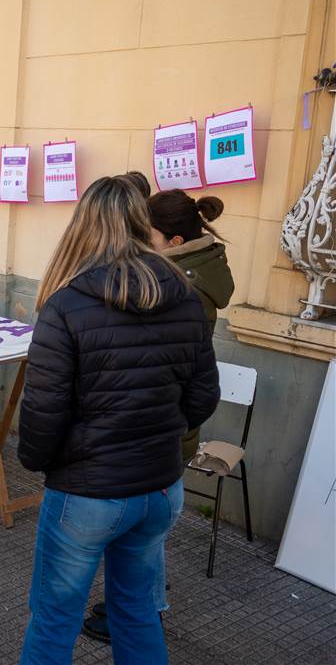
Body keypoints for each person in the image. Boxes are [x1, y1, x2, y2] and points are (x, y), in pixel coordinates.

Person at [17, 175, 221, 664]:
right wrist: (160, 434)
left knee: (54, 618)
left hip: (88, 493)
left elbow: (42, 418)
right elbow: (203, 397)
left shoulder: (66, 305)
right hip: (159, 488)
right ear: (140, 223)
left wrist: (46, 462)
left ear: (81, 226)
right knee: (136, 611)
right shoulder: (185, 295)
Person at [81, 187, 236, 645]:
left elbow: (185, 373)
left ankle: (144, 610)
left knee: (143, 531)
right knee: (145, 527)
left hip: (159, 423)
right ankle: (137, 605)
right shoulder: (192, 272)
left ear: (171, 240)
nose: (137, 244)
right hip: (161, 420)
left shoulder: (183, 285)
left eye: (145, 235)